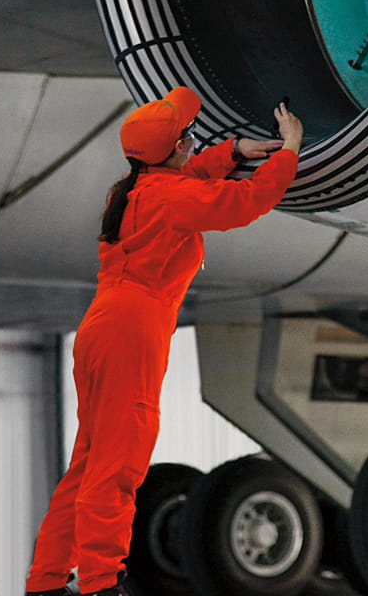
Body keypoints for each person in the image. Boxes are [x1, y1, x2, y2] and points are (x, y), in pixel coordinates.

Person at [24, 86, 302, 596]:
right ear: (176, 148)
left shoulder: (129, 190)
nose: (194, 142)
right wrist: (288, 152)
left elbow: (186, 181)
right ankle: (102, 583)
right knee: (119, 462)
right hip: (132, 331)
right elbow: (245, 202)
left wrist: (233, 152)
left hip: (102, 325)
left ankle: (46, 581)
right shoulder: (169, 196)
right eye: (189, 137)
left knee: (89, 460)